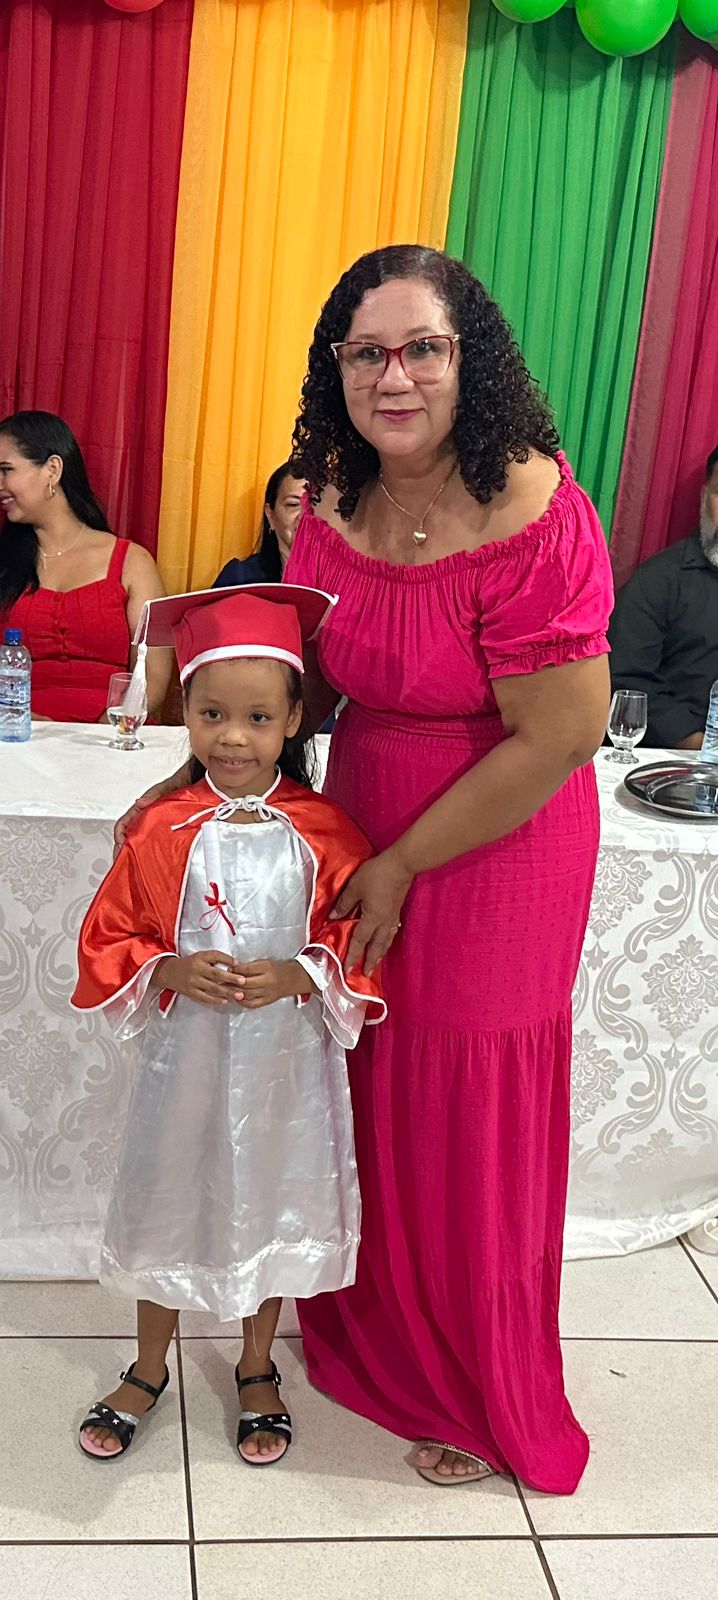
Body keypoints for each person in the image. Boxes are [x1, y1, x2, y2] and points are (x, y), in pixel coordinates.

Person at [114, 244, 613, 1494]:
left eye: (422, 348)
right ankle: (372, 1336)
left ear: (470, 359)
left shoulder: (535, 506)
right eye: (366, 352)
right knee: (368, 1082)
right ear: (334, 370)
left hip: (496, 839)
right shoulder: (332, 496)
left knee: (464, 1111)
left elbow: (562, 733)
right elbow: (306, 683)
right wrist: (198, 781)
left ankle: (477, 1385)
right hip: (360, 821)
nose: (395, 377)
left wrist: (397, 864)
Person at [72, 584, 384, 1464]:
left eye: (257, 717)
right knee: (167, 1194)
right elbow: (110, 936)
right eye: (212, 715)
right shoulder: (161, 828)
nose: (233, 738)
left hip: (285, 1066)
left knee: (270, 1196)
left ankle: (255, 1365)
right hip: (188, 1060)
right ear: (187, 712)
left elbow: (355, 939)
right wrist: (167, 967)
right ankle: (148, 1366)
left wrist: (299, 973)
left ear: (294, 720)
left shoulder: (326, 832)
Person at [0, 410, 172, 721]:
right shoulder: (5, 563)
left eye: (6, 470)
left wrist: (105, 730)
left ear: (53, 469)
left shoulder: (132, 561)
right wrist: (25, 722)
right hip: (19, 734)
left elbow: (153, 676)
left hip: (115, 736)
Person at [608, 446, 718, 749]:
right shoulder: (659, 579)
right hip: (679, 757)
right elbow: (628, 681)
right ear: (704, 497)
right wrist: (699, 745)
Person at [213, 461, 305, 586]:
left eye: (316, 505)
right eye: (293, 505)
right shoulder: (240, 579)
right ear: (270, 515)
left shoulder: (332, 581)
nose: (305, 517)